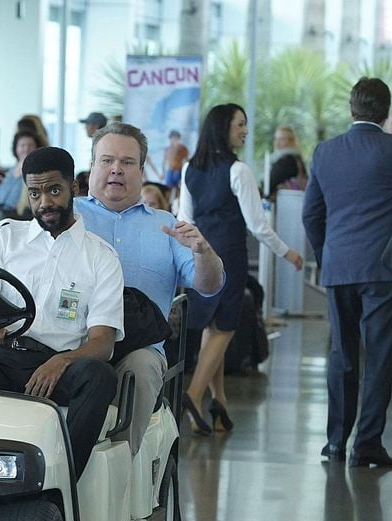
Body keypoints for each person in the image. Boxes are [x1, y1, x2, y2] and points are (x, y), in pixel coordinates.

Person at [0, 146, 123, 479]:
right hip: (1, 358)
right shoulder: (5, 236)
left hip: (56, 367)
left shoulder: (101, 257)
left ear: (75, 187)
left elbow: (103, 342)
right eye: (35, 193)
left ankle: (62, 480)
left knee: (100, 376)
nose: (45, 202)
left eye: (54, 190)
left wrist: (62, 361)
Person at [302, 77, 392, 467]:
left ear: (351, 109)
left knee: (342, 354)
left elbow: (311, 214)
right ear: (386, 112)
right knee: (379, 356)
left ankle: (336, 442)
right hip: (384, 270)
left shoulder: (325, 152)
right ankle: (368, 443)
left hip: (339, 266)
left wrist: (328, 257)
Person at [76, 122, 224, 454]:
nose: (116, 169)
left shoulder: (167, 226)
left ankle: (120, 476)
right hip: (70, 341)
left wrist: (204, 252)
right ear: (92, 166)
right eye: (107, 160)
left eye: (127, 162)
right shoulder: (67, 217)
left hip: (139, 350)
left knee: (140, 371)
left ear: (142, 171)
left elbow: (209, 285)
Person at [178, 104, 303, 434]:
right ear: (224, 128)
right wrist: (287, 252)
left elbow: (185, 219)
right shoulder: (238, 170)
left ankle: (219, 400)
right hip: (230, 256)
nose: (245, 130)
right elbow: (257, 225)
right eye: (240, 124)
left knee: (212, 327)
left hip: (199, 256)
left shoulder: (190, 167)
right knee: (224, 329)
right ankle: (193, 394)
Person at [0, 130, 40, 219]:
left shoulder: (36, 172)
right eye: (22, 145)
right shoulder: (11, 170)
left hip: (21, 217)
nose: (26, 149)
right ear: (16, 148)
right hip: (2, 214)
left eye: (30, 145)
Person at [267, 125, 308, 200]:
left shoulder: (287, 160)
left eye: (282, 139)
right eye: (276, 139)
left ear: (291, 141)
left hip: (286, 204)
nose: (277, 143)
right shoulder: (297, 158)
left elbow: (270, 183)